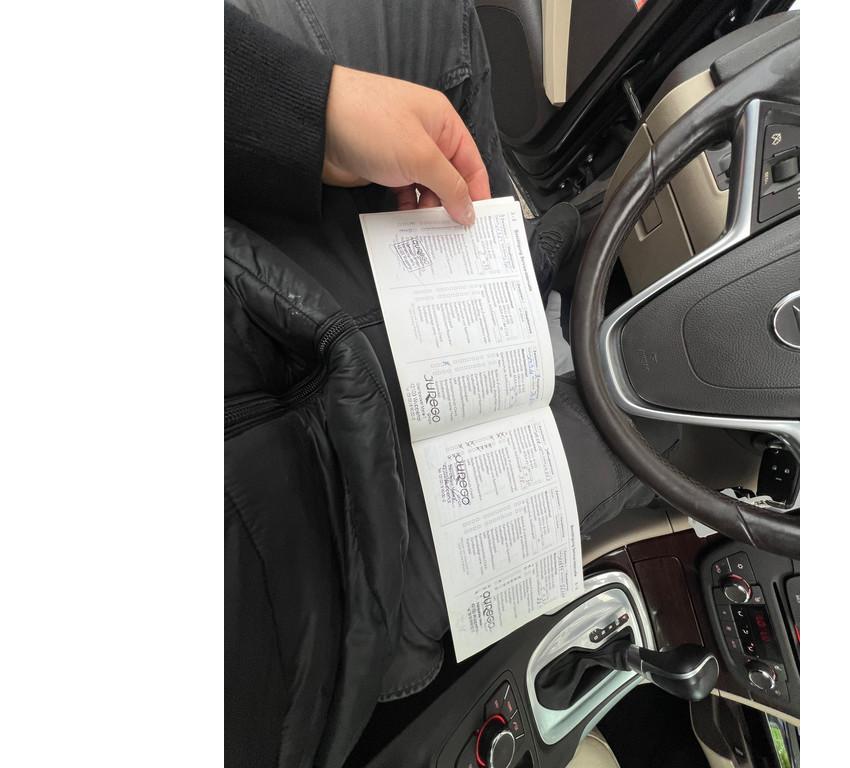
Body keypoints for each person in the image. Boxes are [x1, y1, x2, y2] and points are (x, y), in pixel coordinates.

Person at [224, 2, 678, 765]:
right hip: (330, 564)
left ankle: (520, 280)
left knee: (438, 33)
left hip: (239, 283)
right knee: (670, 406)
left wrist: (304, 109)